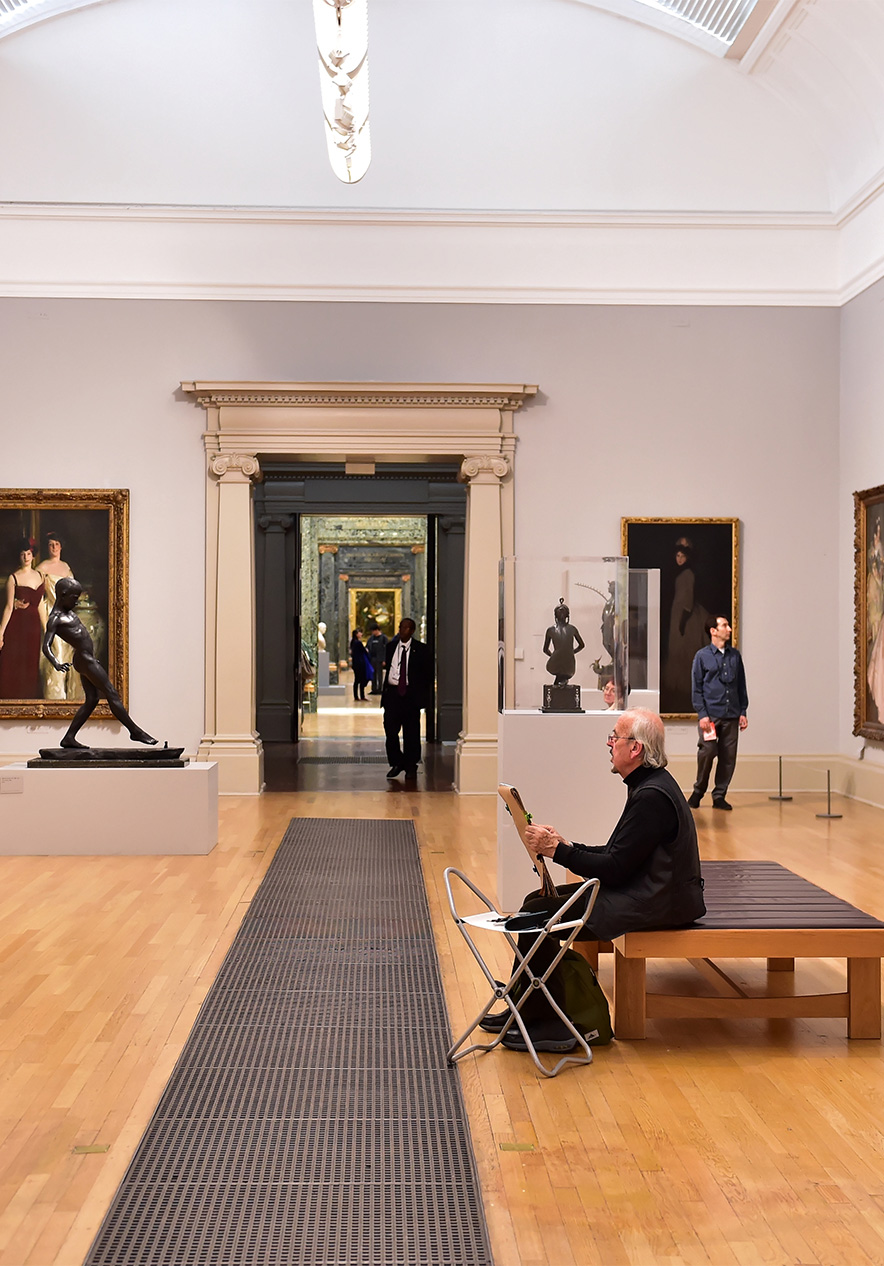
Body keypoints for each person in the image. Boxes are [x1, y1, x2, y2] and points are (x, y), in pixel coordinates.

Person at [482, 709, 705, 1051]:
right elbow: (622, 853)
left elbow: (615, 867)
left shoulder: (651, 797)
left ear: (636, 750)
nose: (609, 742)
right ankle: (525, 1009)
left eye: (616, 736)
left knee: (536, 914)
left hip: (655, 903)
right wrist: (569, 846)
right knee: (533, 905)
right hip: (647, 892)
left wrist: (558, 851)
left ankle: (550, 1024)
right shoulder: (648, 786)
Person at [41, 577, 156, 749]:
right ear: (63, 595)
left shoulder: (67, 612)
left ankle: (69, 738)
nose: (77, 601)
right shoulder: (56, 619)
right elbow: (46, 646)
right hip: (84, 659)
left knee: (93, 699)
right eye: (74, 598)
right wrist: (56, 663)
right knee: (111, 692)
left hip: (87, 658)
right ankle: (134, 731)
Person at [687, 614, 748, 811]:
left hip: (731, 714)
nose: (728, 629)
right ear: (713, 631)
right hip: (710, 716)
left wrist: (743, 711)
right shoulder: (701, 656)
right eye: (724, 625)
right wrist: (702, 714)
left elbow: (741, 686)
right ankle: (698, 791)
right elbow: (696, 688)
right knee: (708, 751)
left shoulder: (735, 656)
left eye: (728, 625)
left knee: (728, 756)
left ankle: (719, 795)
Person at [662, 538, 709, 714]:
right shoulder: (681, 574)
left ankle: (687, 689)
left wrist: (682, 621)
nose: (679, 559)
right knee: (677, 649)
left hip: (685, 616)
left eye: (682, 556)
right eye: (677, 556)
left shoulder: (688, 574)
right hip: (678, 613)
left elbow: (687, 600)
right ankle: (680, 688)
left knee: (684, 649)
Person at [381, 617, 431, 780]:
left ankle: (410, 765)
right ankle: (397, 762)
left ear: (412, 631)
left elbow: (427, 676)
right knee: (390, 730)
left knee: (411, 733)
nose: (401, 631)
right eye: (400, 627)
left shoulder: (421, 650)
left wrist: (422, 698)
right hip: (393, 695)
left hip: (410, 696)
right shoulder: (390, 647)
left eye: (405, 628)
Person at [0, 543, 46, 699]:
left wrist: (47, 628)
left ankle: (28, 703)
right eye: (22, 554)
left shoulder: (41, 576)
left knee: (31, 664)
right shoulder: (13, 578)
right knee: (14, 663)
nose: (26, 557)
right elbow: (8, 607)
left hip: (33, 628)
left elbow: (40, 604)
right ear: (19, 557)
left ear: (33, 556)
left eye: (28, 553)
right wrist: (1, 633)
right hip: (16, 626)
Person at [38, 531, 78, 700]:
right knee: (57, 652)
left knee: (72, 653)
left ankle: (70, 698)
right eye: (50, 545)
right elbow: (37, 594)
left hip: (67, 615)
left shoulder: (66, 566)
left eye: (56, 544)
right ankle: (55, 697)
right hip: (51, 613)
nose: (53, 547)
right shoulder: (42, 567)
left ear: (61, 547)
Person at [349, 628, 372, 701]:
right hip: (360, 663)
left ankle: (356, 696)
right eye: (360, 633)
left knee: (357, 680)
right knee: (361, 679)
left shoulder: (353, 642)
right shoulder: (358, 643)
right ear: (356, 634)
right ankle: (361, 696)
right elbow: (364, 651)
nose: (361, 634)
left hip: (356, 663)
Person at [366, 624, 387, 694]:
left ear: (377, 630)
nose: (372, 633)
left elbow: (386, 649)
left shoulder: (383, 638)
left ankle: (380, 689)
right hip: (372, 659)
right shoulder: (371, 638)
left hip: (380, 659)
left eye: (373, 631)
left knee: (379, 675)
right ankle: (374, 689)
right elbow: (367, 646)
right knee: (373, 674)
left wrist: (385, 659)